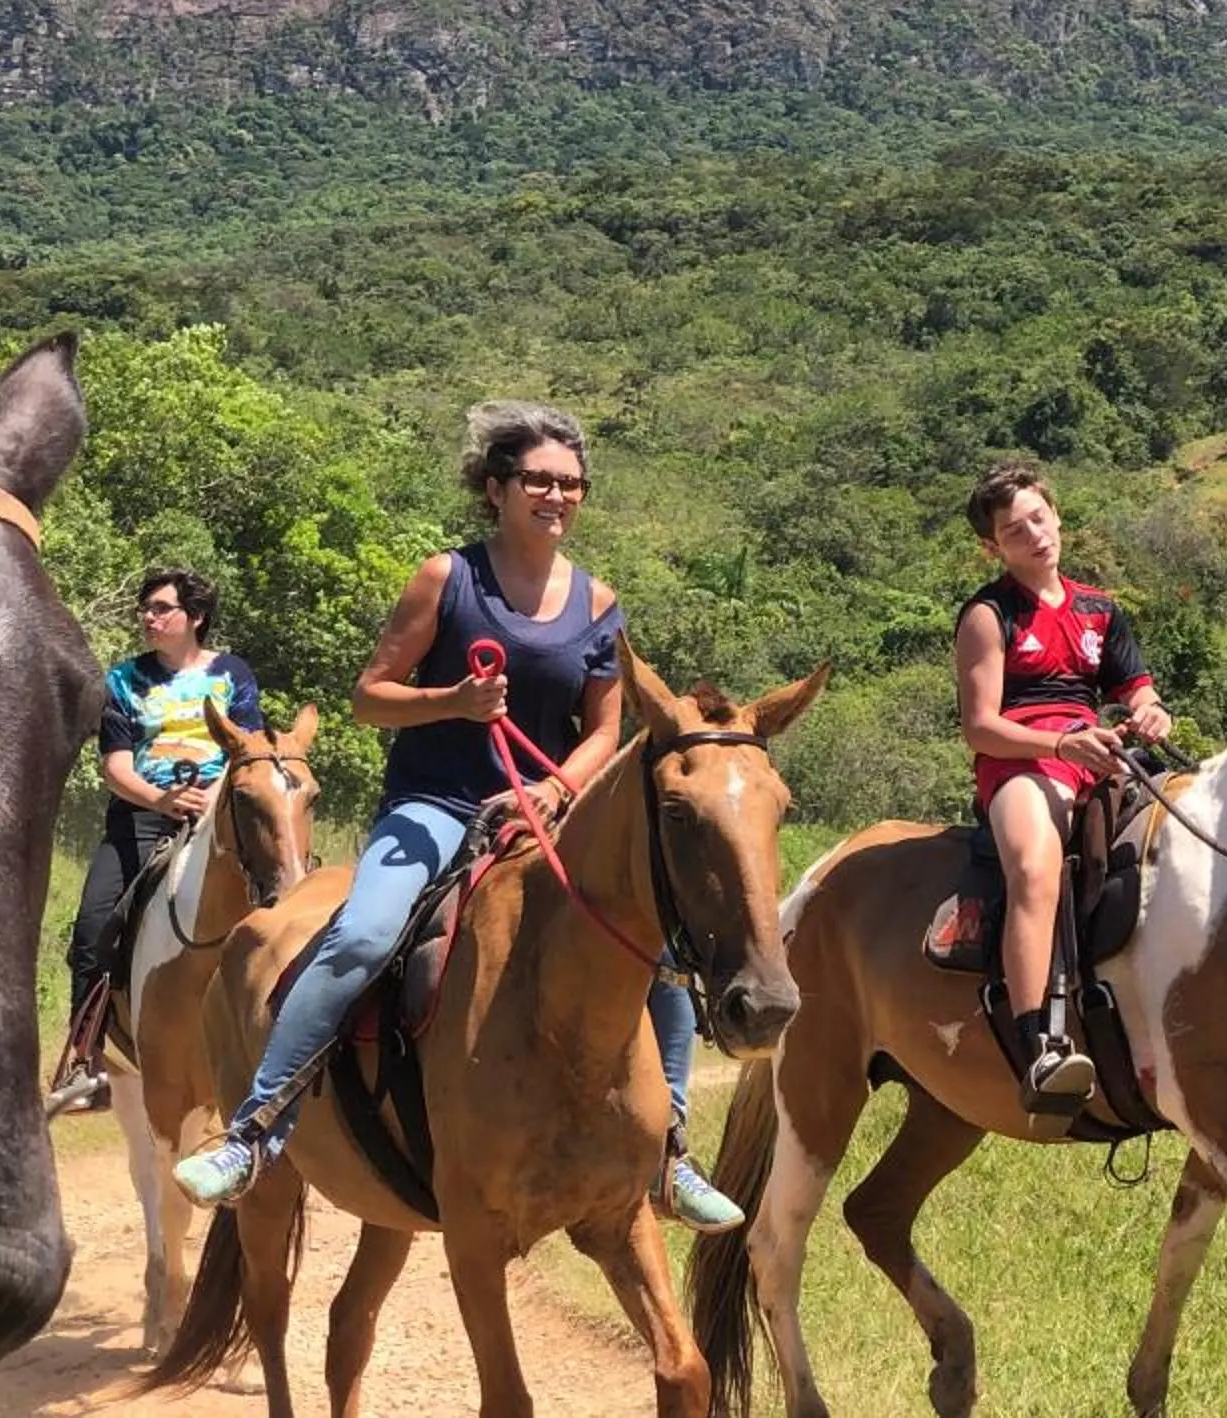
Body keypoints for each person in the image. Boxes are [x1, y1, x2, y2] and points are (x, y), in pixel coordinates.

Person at [174, 402, 742, 1230]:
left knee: (650, 954)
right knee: (364, 935)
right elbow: (370, 698)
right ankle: (257, 1129)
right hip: (434, 807)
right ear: (496, 487)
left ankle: (671, 1154)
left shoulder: (598, 602)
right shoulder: (447, 577)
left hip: (544, 813)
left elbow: (609, 732)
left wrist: (554, 790)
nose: (557, 495)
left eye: (571, 483)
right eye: (539, 480)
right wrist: (454, 700)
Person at [954, 460, 1227, 1112]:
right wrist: (1058, 743)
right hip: (1025, 763)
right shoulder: (988, 616)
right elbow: (980, 726)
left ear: (1057, 516)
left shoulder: (1098, 611)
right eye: (1014, 531)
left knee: (1212, 846)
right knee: (1035, 868)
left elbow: (1137, 688)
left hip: (1103, 755)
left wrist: (1150, 711)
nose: (1034, 535)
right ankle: (1040, 1045)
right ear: (993, 548)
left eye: (1039, 518)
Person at [45, 567, 262, 1113]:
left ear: (196, 618)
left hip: (220, 818)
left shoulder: (233, 675)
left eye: (162, 608)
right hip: (142, 817)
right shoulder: (122, 681)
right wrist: (163, 801)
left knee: (278, 912)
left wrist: (210, 799)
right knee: (93, 931)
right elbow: (115, 767)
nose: (149, 616)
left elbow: (247, 749)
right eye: (146, 607)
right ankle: (85, 1062)